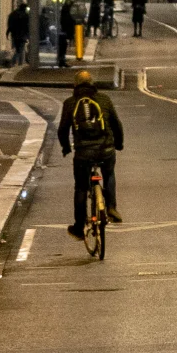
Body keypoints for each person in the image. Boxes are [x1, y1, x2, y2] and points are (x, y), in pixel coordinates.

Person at [58, 77, 124, 239]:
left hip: (83, 152)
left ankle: (79, 227)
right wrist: (119, 144)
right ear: (93, 84)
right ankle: (111, 207)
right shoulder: (104, 99)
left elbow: (63, 130)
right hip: (105, 149)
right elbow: (117, 124)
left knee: (81, 187)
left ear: (75, 86)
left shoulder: (70, 103)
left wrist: (66, 147)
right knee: (108, 174)